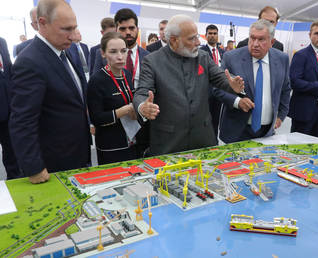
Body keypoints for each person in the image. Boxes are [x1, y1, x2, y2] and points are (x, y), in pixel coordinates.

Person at [133, 14, 245, 156]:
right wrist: (143, 106)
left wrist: (232, 85)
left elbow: (221, 78)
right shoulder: (152, 61)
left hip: (203, 140)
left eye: (197, 36)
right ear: (173, 40)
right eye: (192, 38)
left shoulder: (203, 58)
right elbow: (142, 91)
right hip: (169, 144)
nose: (198, 42)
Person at [9, 0, 90, 184]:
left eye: (74, 28)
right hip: (51, 165)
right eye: (66, 29)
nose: (73, 35)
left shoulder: (63, 52)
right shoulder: (30, 62)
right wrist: (34, 167)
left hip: (76, 155)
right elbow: (22, 121)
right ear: (42, 23)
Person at [214, 19, 291, 143]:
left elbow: (286, 89)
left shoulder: (282, 59)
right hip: (237, 131)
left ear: (272, 42)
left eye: (261, 39)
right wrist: (237, 102)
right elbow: (217, 88)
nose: (255, 44)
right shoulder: (232, 58)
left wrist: (281, 116)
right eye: (252, 38)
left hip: (267, 132)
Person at [88, 32, 139, 165]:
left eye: (123, 51)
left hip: (132, 141)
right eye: (113, 52)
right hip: (111, 145)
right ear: (103, 53)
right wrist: (125, 110)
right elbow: (96, 118)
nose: (120, 56)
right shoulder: (97, 80)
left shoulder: (127, 75)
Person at [0, 37, 21, 179]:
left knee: (11, 151)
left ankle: (13, 180)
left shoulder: (2, 42)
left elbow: (8, 72)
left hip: (7, 109)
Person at [199, 24, 225, 141]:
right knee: (205, 121)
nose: (212, 36)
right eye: (210, 33)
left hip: (221, 93)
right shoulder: (200, 52)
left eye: (215, 34)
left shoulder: (223, 53)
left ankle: (214, 141)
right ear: (205, 36)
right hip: (206, 93)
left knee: (216, 120)